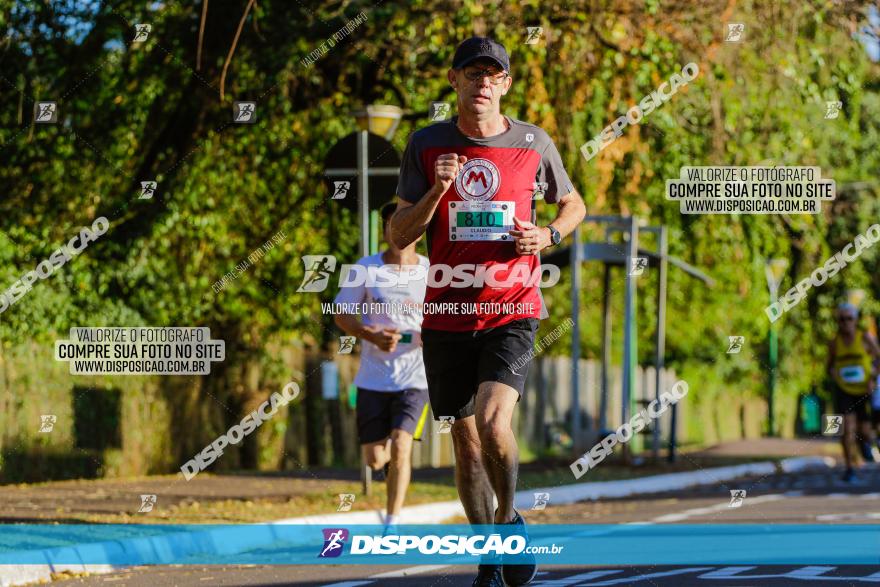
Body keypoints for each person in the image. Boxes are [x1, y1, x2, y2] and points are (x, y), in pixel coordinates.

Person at [389, 36, 586, 587]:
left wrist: (547, 233)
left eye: (492, 75)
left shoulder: (532, 142)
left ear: (505, 84)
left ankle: (506, 526)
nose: (482, 83)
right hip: (447, 312)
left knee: (496, 422)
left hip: (512, 308)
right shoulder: (426, 145)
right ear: (454, 81)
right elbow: (398, 234)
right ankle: (489, 554)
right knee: (465, 438)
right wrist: (436, 191)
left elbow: (574, 204)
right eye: (471, 74)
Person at [333, 202, 430, 529]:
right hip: (373, 378)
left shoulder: (433, 271)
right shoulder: (366, 268)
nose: (399, 230)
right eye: (392, 224)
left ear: (419, 228)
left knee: (402, 446)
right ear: (386, 229)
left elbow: (446, 318)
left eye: (406, 223)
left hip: (416, 377)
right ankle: (390, 459)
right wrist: (370, 335)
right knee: (375, 460)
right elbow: (341, 314)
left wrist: (431, 336)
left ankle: (393, 521)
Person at [826, 302, 880, 482]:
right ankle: (849, 468)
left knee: (864, 431)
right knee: (846, 429)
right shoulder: (835, 343)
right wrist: (832, 372)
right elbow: (829, 366)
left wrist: (872, 378)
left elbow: (878, 359)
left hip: (863, 389)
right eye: (841, 319)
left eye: (848, 318)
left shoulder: (865, 338)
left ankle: (866, 443)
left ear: (855, 320)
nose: (845, 323)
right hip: (844, 390)